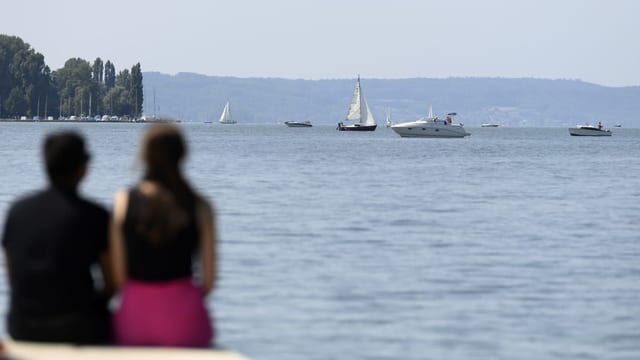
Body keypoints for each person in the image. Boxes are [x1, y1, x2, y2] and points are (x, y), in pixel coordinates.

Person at [110, 123, 216, 347]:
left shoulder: (123, 202)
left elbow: (119, 277)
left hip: (134, 320)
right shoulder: (200, 206)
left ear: (144, 155)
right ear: (182, 154)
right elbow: (208, 282)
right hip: (186, 323)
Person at [2, 131, 112, 344]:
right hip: (79, 327)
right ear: (83, 168)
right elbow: (113, 282)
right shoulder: (95, 215)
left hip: (22, 326)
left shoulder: (17, 212)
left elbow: (13, 277)